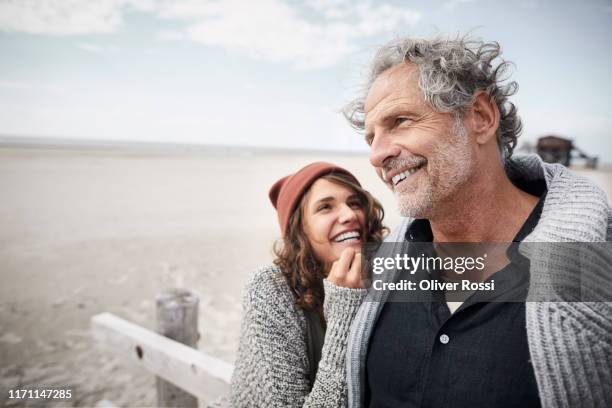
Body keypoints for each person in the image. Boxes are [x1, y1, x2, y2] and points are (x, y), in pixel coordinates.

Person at [342, 34, 612, 407]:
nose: (376, 155)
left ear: (480, 117)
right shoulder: (385, 271)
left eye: (400, 121)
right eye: (371, 137)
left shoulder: (596, 266)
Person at [230, 162, 387, 407]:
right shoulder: (271, 289)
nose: (349, 215)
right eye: (325, 207)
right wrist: (344, 308)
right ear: (299, 229)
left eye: (354, 203)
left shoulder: (388, 276)